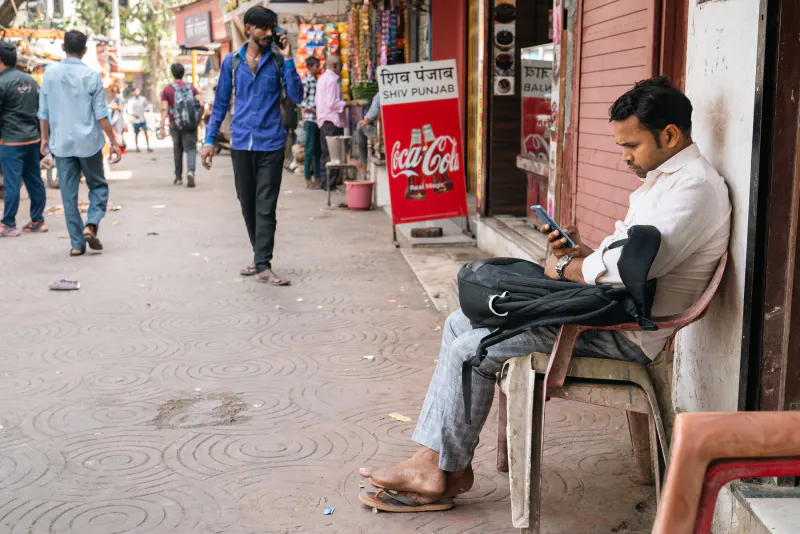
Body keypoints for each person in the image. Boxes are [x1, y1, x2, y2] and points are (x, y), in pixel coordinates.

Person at [357, 77, 732, 512]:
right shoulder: (664, 180)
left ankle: (436, 467)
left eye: (631, 145)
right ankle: (445, 466)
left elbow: (631, 270)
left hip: (626, 332)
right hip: (610, 311)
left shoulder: (693, 189)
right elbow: (624, 260)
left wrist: (563, 268)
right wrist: (581, 254)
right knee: (463, 320)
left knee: (471, 348)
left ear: (669, 134)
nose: (625, 156)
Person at [201, 6, 303, 286]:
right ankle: (259, 257)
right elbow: (221, 103)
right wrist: (209, 140)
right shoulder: (231, 63)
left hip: (271, 143)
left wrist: (290, 59)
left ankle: (263, 265)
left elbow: (296, 95)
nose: (269, 33)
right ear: (248, 29)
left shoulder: (279, 62)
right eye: (263, 28)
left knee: (266, 205)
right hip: (242, 143)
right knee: (247, 202)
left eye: (272, 28)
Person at [39, 30, 122, 257]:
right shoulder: (92, 76)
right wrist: (113, 142)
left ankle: (76, 244)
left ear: (63, 48)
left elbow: (43, 112)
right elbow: (101, 114)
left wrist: (44, 138)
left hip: (62, 143)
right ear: (85, 51)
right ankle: (91, 224)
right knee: (98, 186)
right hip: (89, 143)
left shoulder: (49, 75)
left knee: (68, 195)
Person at [0, 41, 47, 238]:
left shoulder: (2, 82)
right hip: (32, 140)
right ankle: (37, 220)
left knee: (12, 183)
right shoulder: (30, 81)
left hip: (11, 142)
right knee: (34, 180)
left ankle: (8, 224)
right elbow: (40, 111)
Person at [160, 63, 202, 187]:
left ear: (172, 74)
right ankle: (191, 172)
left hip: (175, 123)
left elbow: (164, 109)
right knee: (191, 149)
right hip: (190, 124)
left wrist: (162, 125)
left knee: (177, 150)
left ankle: (178, 178)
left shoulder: (167, 90)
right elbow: (202, 103)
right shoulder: (191, 88)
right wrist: (197, 120)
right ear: (183, 73)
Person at [315, 55, 353, 191]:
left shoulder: (322, 79)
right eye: (341, 65)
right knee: (333, 155)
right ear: (335, 66)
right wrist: (349, 103)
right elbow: (332, 103)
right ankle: (328, 184)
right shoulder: (331, 81)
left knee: (326, 153)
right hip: (332, 121)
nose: (341, 69)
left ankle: (325, 183)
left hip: (325, 120)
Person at [301, 57, 322, 189]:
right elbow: (301, 101)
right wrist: (311, 109)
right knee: (309, 149)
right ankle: (308, 178)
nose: (318, 68)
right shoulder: (307, 82)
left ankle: (318, 178)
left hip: (318, 120)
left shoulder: (318, 81)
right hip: (310, 119)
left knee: (317, 151)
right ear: (310, 67)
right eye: (316, 66)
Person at [354, 93, 380, 177]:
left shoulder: (380, 95)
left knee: (360, 129)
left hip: (384, 133)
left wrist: (365, 121)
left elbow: (371, 116)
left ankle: (364, 164)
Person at [127, 87, 152, 152]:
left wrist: (147, 111)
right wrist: (135, 115)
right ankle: (137, 147)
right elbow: (129, 111)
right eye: (136, 91)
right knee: (136, 133)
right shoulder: (131, 101)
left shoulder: (143, 99)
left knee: (145, 132)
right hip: (135, 120)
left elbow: (146, 107)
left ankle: (148, 146)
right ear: (133, 92)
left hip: (142, 118)